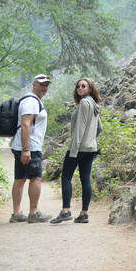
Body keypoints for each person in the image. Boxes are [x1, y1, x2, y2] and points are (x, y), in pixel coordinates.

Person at [50, 77, 101, 224]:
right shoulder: (94, 103)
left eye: (83, 86)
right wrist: (91, 139)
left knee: (66, 177)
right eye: (78, 86)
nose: (80, 88)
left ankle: (66, 211)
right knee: (85, 178)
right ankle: (84, 214)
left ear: (90, 88)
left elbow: (81, 127)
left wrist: (75, 147)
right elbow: (99, 127)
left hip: (78, 147)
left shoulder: (85, 103)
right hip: (91, 147)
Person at [10, 74, 52, 223]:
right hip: (30, 146)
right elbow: (26, 124)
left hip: (22, 145)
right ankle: (33, 213)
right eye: (42, 85)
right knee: (35, 178)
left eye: (47, 85)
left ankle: (16, 214)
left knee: (20, 178)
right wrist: (26, 149)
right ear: (34, 85)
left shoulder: (28, 100)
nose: (45, 88)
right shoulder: (32, 102)